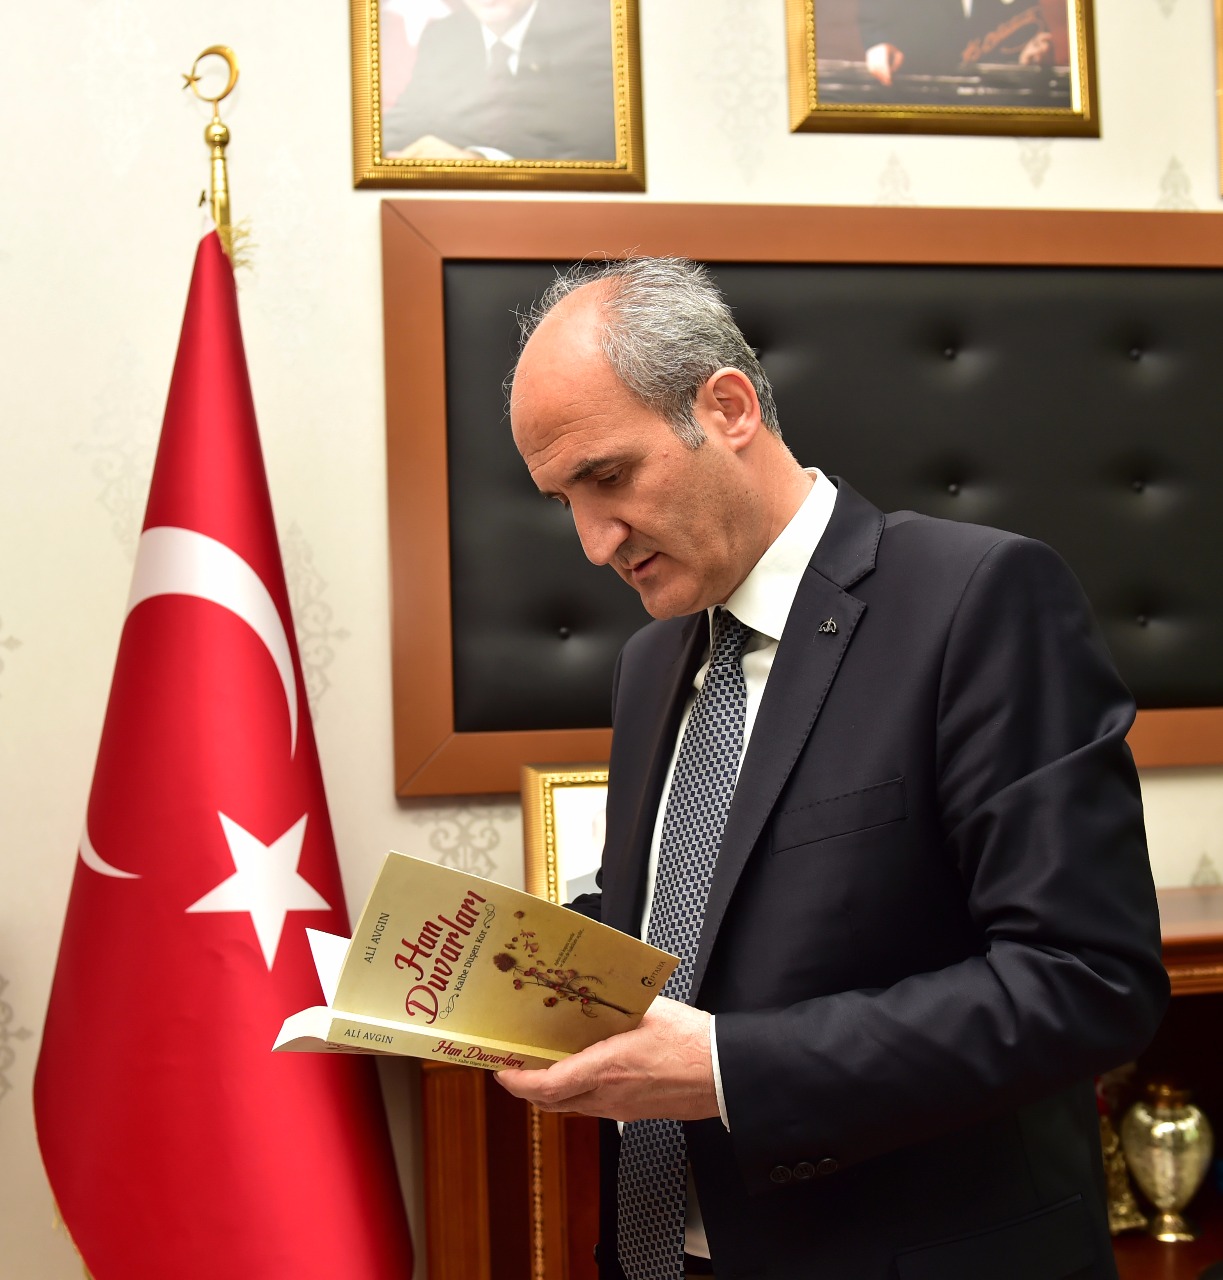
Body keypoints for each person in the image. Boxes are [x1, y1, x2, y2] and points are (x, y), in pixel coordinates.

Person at [497, 256, 1168, 1280]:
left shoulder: (978, 599)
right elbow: (684, 918)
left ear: (727, 408)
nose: (593, 542)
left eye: (608, 477)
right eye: (563, 500)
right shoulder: (648, 662)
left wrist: (728, 1068)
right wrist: (493, 974)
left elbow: (1085, 982)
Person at [381, 0, 615, 161]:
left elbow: (590, 146)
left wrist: (482, 162)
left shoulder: (599, 32)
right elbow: (404, 124)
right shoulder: (444, 36)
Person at [858, 0, 1055, 86]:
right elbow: (877, 27)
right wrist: (878, 43)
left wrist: (1028, 59)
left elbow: (1027, 39)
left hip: (990, 114)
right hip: (920, 106)